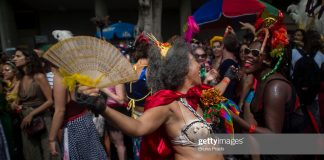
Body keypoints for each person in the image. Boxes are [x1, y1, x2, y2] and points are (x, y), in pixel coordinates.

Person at [76, 37, 238, 160]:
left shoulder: (194, 96)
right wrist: (103, 108)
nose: (200, 65)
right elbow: (138, 127)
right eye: (195, 61)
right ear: (183, 69)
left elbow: (214, 94)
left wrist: (227, 78)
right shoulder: (168, 103)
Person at [48, 66, 108, 160]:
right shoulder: (77, 71)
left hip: (73, 126)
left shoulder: (60, 75)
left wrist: (51, 139)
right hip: (85, 120)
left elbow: (60, 110)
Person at [12, 48, 58, 160]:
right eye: (14, 56)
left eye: (18, 56)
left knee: (48, 152)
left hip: (42, 118)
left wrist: (31, 114)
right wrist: (15, 104)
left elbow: (50, 101)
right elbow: (19, 99)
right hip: (26, 120)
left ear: (28, 59)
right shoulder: (20, 78)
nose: (14, 59)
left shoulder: (39, 76)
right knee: (31, 153)